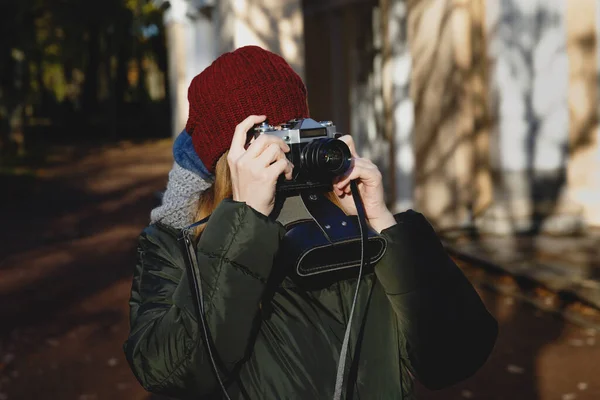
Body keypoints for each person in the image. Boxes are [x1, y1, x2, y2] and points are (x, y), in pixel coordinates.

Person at [123, 45, 498, 400]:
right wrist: (242, 223)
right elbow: (168, 371)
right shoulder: (176, 241)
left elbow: (458, 355)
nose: (286, 151)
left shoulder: (354, 219)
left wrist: (384, 225)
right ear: (230, 156)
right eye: (268, 137)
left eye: (295, 129)